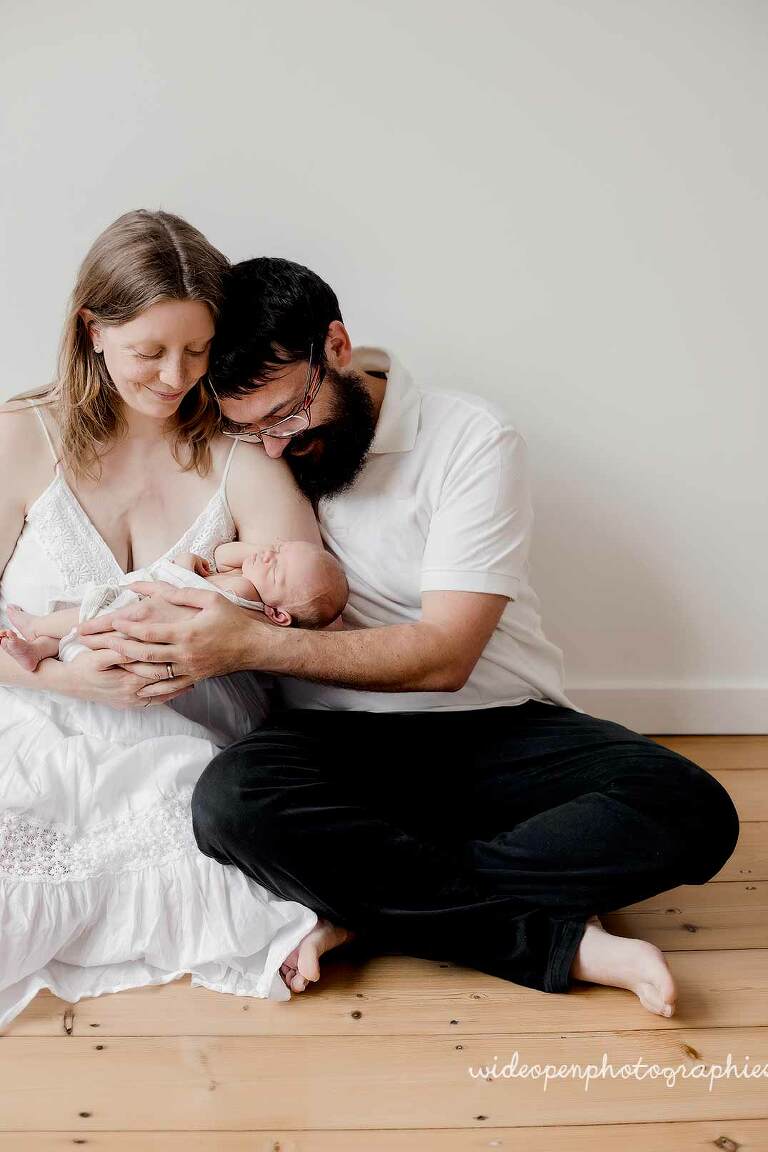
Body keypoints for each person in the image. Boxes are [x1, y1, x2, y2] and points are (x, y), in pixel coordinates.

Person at [78, 257, 741, 1016]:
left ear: (335, 346)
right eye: (248, 428)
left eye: (287, 416)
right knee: (229, 802)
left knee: (691, 809)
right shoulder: (256, 453)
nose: (273, 448)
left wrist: (251, 645)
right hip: (336, 745)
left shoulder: (469, 439)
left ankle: (362, 903)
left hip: (496, 731)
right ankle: (551, 941)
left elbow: (445, 657)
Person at [0, 217, 350, 1031]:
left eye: (197, 352)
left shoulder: (237, 456)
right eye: (149, 351)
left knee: (208, 834)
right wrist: (57, 675)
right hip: (31, 707)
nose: (174, 376)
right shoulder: (22, 437)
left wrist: (233, 617)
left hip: (184, 727)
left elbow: (299, 598)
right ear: (93, 330)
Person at [1, 537, 349, 671]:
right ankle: (40, 649)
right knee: (79, 631)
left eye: (278, 569)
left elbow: (189, 586)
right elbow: (220, 556)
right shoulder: (249, 585)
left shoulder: (246, 600)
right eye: (278, 548)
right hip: (141, 613)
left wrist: (185, 564)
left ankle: (36, 629)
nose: (269, 554)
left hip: (142, 615)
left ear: (278, 614)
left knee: (90, 614)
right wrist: (263, 556)